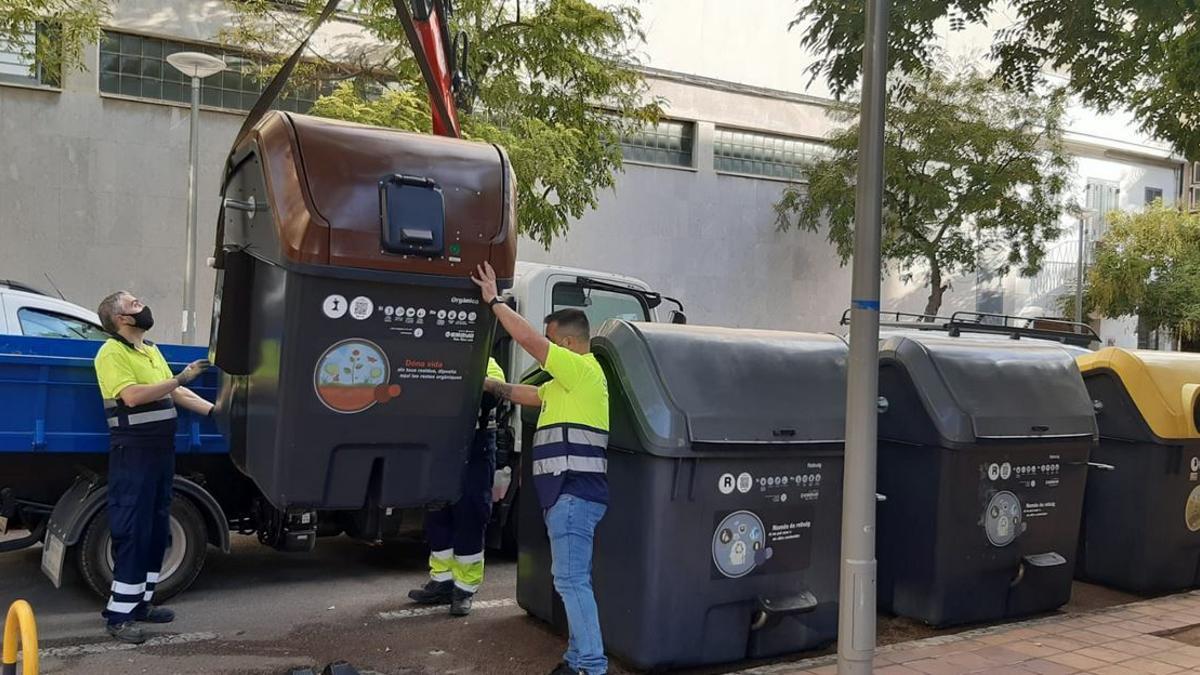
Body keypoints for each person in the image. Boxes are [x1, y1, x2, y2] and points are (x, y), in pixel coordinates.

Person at [472, 262, 610, 675]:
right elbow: (523, 393)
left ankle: (590, 665)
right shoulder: (567, 384)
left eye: (552, 342)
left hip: (573, 494)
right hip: (569, 496)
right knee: (572, 579)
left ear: (567, 343)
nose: (547, 348)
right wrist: (481, 381)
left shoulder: (581, 369)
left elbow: (529, 341)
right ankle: (578, 658)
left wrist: (494, 301)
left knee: (571, 582)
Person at [93, 291, 213, 643]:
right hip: (134, 451)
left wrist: (214, 410)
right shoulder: (111, 353)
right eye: (134, 304)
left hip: (161, 450)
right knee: (132, 528)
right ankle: (118, 617)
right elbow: (131, 396)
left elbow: (175, 393)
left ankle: (141, 604)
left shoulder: (150, 350)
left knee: (157, 527)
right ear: (121, 319)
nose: (142, 305)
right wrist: (181, 377)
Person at [408, 356, 506, 616]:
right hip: (438, 445)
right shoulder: (432, 359)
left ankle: (464, 589)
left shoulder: (487, 362)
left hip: (475, 446)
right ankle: (442, 581)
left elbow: (493, 394)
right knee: (437, 512)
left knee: (471, 514)